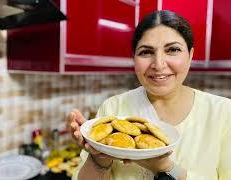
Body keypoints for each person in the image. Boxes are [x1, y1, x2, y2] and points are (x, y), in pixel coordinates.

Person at [68, 10, 231, 180]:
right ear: (134, 58)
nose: (158, 64)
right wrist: (99, 158)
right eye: (146, 52)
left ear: (190, 55)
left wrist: (167, 168)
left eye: (173, 49)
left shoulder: (224, 113)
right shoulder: (113, 109)